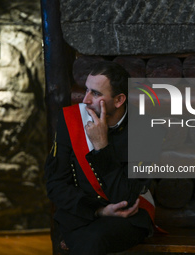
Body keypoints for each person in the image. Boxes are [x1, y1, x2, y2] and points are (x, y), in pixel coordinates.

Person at [45, 61, 154, 255]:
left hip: (127, 217)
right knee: (86, 239)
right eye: (86, 90)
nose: (85, 99)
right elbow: (56, 184)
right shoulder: (71, 120)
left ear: (119, 100)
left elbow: (125, 198)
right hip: (81, 214)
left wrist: (102, 147)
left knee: (91, 240)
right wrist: (97, 211)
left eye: (95, 93)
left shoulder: (145, 131)